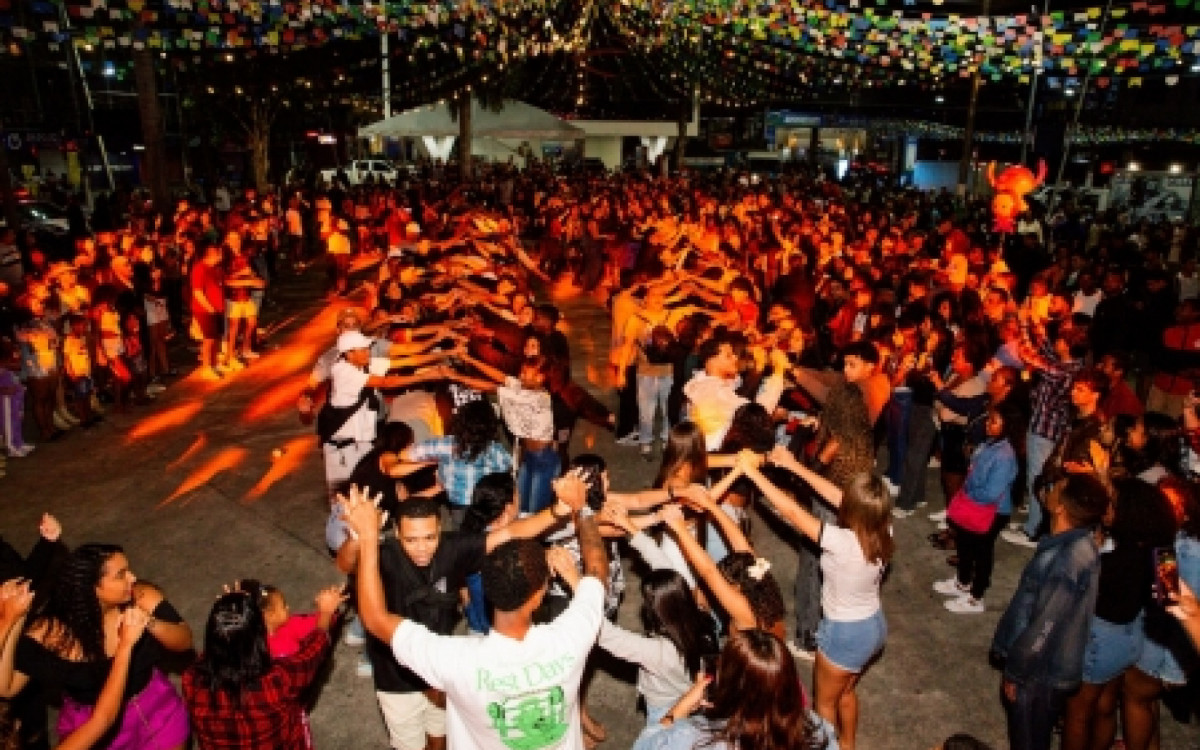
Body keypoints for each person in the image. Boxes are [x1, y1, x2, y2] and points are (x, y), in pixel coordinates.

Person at [341, 473, 610, 750]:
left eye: (429, 537)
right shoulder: (571, 638)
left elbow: (375, 618)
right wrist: (578, 509)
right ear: (540, 596)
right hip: (398, 684)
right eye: (411, 540)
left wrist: (369, 535)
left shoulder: (456, 661)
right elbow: (597, 570)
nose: (422, 547)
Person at [739, 447, 891, 750]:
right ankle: (848, 744)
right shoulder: (882, 528)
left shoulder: (841, 542)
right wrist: (793, 465)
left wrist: (753, 474)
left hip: (844, 633)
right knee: (846, 691)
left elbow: (793, 513)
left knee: (824, 706)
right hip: (874, 627)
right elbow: (836, 496)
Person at [0, 544, 193, 750]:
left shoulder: (141, 596)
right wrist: (12, 619)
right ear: (92, 588)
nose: (132, 578)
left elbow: (185, 641)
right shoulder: (51, 632)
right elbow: (7, 687)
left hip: (156, 709)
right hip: (93, 730)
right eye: (121, 575)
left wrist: (151, 623)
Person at [990, 474, 1110, 750]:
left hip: (1039, 673)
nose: (1049, 489)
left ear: (1061, 508)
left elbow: (1046, 625)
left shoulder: (1066, 560)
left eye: (1056, 487)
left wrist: (1017, 673)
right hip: (1047, 669)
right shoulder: (1077, 545)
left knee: (1029, 740)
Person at [183, 582, 345, 749]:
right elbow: (313, 651)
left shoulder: (191, 679)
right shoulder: (276, 681)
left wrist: (234, 616)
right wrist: (325, 613)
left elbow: (222, 645)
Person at [629, 629, 835, 750]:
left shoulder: (694, 736)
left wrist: (678, 710)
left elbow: (643, 746)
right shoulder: (817, 729)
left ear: (728, 682)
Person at [933, 405, 1021, 613]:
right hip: (976, 504)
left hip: (992, 511)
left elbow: (991, 492)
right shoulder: (990, 443)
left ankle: (976, 597)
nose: (987, 424)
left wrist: (967, 495)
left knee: (982, 552)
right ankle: (963, 582)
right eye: (988, 420)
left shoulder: (1005, 455)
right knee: (964, 544)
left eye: (994, 422)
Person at [399, 399, 513, 529]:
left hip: (458, 508)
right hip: (487, 509)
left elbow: (404, 455)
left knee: (461, 540)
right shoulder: (497, 450)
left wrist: (434, 459)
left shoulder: (448, 444)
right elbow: (507, 470)